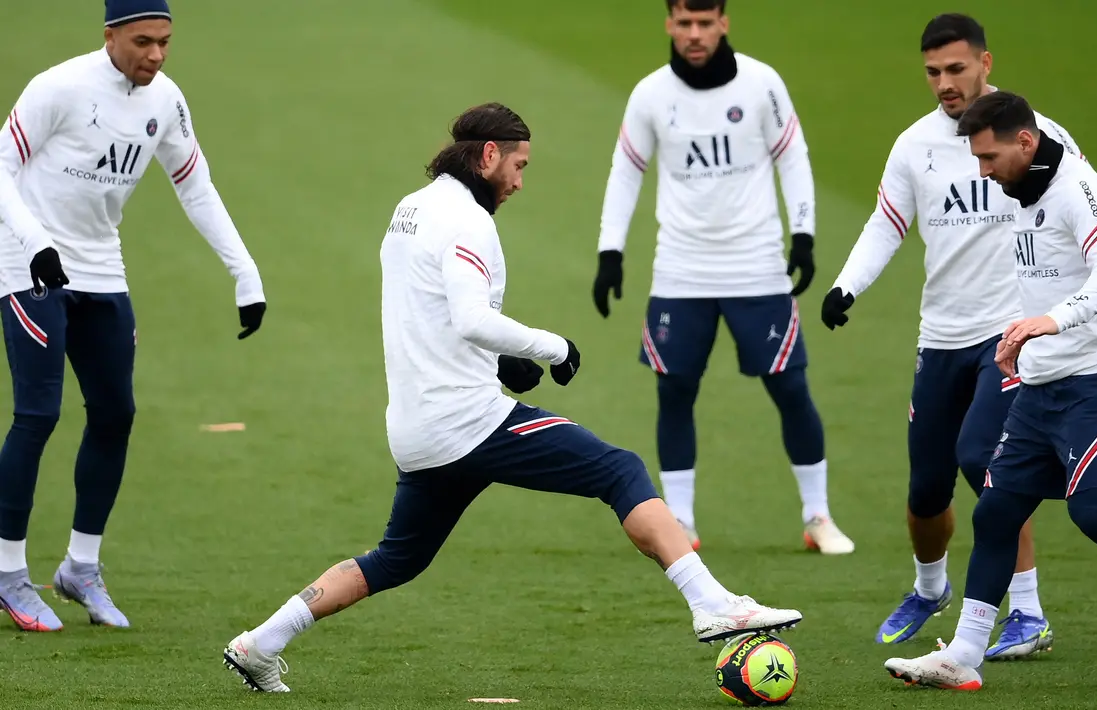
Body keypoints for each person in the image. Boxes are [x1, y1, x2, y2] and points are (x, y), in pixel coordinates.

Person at [222, 103, 802, 694]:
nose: (521, 182)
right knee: (619, 470)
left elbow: (430, 310)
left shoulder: (410, 208)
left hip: (416, 428)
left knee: (397, 560)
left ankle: (259, 643)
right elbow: (472, 318)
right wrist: (554, 347)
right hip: (468, 421)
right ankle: (712, 604)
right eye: (518, 166)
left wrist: (504, 360)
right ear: (488, 155)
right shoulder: (470, 222)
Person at [884, 90, 1097, 698]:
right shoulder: (1018, 190)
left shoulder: (1079, 190)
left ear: (1025, 143)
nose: (982, 173)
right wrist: (1016, 334)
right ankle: (963, 652)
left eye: (989, 158)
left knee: (1095, 511)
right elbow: (1036, 277)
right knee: (996, 514)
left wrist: (1048, 323)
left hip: (1096, 381)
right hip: (1039, 384)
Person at [0, 0, 266, 632]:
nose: (156, 55)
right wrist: (34, 241)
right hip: (26, 262)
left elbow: (194, 184)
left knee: (116, 412)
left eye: (165, 42)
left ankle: (79, 568)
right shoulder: (58, 87)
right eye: (143, 41)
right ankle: (9, 574)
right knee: (38, 413)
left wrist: (244, 269)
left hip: (99, 267)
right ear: (110, 35)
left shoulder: (165, 100)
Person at [825, 14, 1084, 657]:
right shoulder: (914, 145)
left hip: (1010, 335)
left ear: (986, 63)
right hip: (940, 335)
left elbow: (1086, 212)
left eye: (956, 69)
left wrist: (1065, 311)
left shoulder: (1038, 137)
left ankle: (1027, 612)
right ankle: (929, 587)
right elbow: (887, 224)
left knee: (987, 460)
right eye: (933, 72)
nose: (944, 83)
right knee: (925, 489)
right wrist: (846, 286)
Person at [591, 0, 853, 555]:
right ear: (668, 23)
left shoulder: (761, 84)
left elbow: (794, 158)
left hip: (757, 267)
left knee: (789, 387)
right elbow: (625, 171)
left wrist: (803, 234)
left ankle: (818, 517)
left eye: (704, 24)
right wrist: (609, 251)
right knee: (675, 391)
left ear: (723, 23)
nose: (694, 34)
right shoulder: (651, 94)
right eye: (683, 23)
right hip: (680, 270)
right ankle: (680, 523)